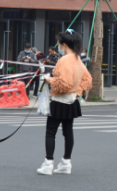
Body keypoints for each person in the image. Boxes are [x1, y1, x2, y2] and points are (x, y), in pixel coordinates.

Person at [37, 30, 92, 176]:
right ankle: (66, 163)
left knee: (50, 132)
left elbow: (64, 83)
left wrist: (49, 80)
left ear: (64, 44)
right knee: (68, 133)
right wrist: (78, 92)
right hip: (72, 101)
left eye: (59, 43)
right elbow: (88, 80)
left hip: (59, 100)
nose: (58, 46)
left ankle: (48, 164)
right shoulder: (78, 59)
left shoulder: (63, 60)